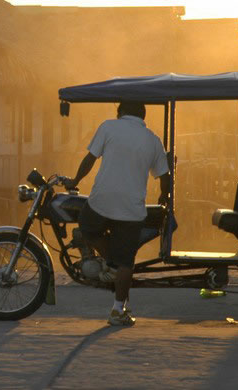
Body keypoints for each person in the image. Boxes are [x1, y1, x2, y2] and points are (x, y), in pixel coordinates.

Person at [65, 101, 169, 327]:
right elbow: (164, 175)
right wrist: (164, 197)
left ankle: (108, 261)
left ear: (120, 113)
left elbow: (89, 159)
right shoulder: (153, 140)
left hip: (101, 200)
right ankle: (117, 309)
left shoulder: (108, 127)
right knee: (125, 263)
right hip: (131, 209)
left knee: (87, 228)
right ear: (143, 116)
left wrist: (74, 181)